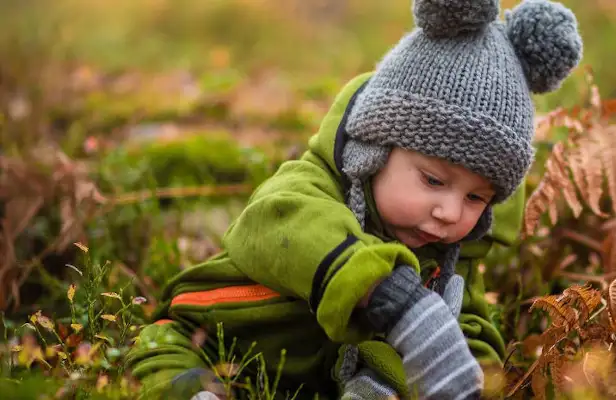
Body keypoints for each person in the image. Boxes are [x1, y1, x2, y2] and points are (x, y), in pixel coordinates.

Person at [126, 0, 582, 398]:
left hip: (316, 376)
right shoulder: (312, 186)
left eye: (476, 198)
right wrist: (387, 293)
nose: (449, 212)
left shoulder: (448, 259)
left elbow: (470, 328)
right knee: (165, 354)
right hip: (212, 332)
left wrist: (467, 373)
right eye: (432, 181)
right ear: (374, 150)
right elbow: (272, 225)